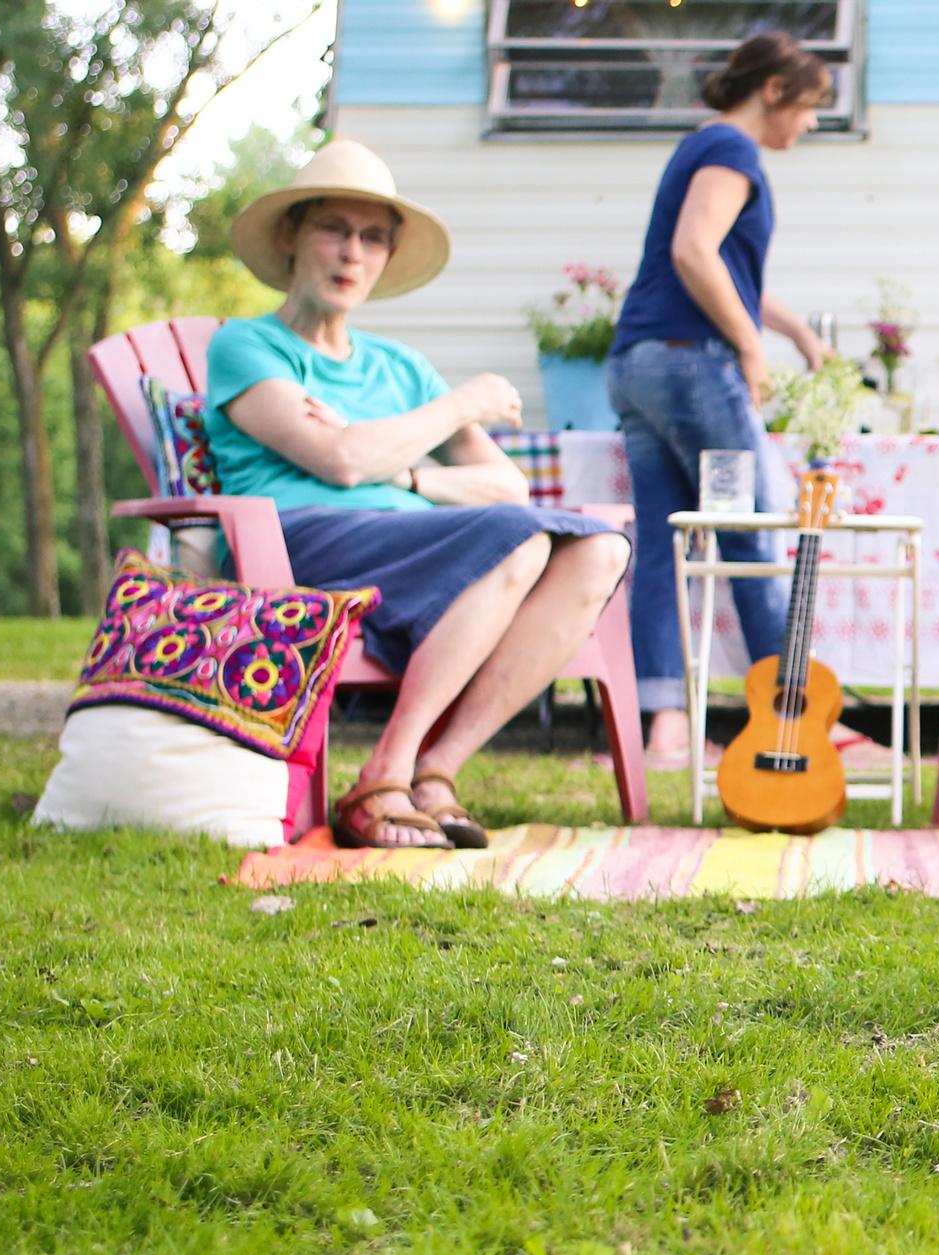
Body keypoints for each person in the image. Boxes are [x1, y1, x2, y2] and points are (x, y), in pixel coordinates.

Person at [208, 139, 633, 850]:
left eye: (372, 238)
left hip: (415, 547)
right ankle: (385, 771)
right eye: (333, 230)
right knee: (518, 536)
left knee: (596, 552)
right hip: (294, 545)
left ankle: (434, 771)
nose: (352, 253)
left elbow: (505, 484)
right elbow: (338, 462)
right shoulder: (249, 347)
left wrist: (405, 472)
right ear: (291, 235)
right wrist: (460, 403)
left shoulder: (399, 368)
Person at [608, 32, 840, 765]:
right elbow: (693, 252)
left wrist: (795, 328)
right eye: (810, 107)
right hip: (691, 365)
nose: (811, 123)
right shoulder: (734, 150)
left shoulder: (700, 146)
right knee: (752, 539)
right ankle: (793, 724)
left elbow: (720, 267)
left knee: (666, 547)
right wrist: (747, 346)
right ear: (774, 89)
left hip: (639, 363)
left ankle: (668, 729)